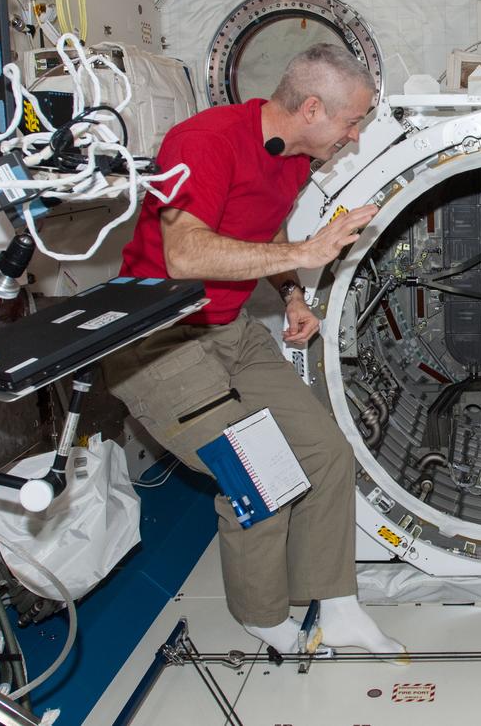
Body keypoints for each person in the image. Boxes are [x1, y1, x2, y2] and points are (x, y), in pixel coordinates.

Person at [103, 43, 403, 658]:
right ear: (312, 108)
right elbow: (186, 255)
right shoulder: (203, 141)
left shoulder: (293, 157)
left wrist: (292, 293)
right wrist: (304, 256)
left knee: (326, 453)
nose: (353, 137)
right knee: (258, 477)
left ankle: (338, 606)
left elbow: (262, 226)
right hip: (157, 342)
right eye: (352, 122)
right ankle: (264, 619)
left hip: (228, 329)